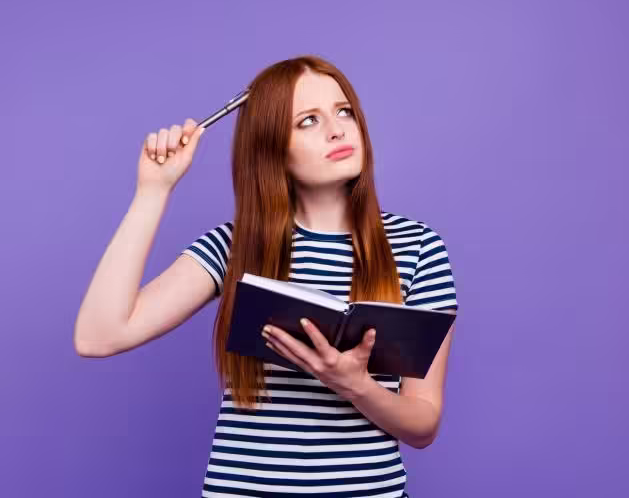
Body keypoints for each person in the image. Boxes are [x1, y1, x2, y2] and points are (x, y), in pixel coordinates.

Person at [73, 55, 459, 497]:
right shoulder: (238, 246)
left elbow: (423, 424)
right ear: (272, 147)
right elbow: (98, 336)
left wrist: (355, 386)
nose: (336, 129)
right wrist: (152, 192)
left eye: (344, 111)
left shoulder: (418, 247)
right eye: (307, 121)